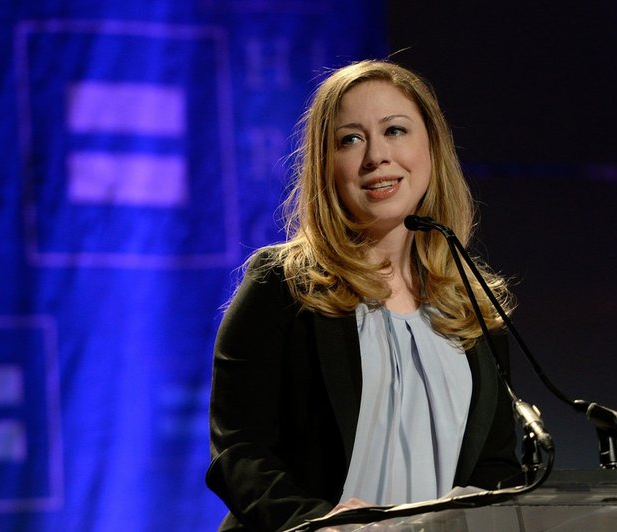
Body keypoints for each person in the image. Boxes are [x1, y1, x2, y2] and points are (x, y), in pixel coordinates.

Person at [205, 60, 521, 532]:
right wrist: (318, 523)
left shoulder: (470, 306)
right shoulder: (282, 285)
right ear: (326, 164)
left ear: (432, 146)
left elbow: (494, 466)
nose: (377, 156)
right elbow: (239, 450)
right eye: (350, 139)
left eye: (395, 131)